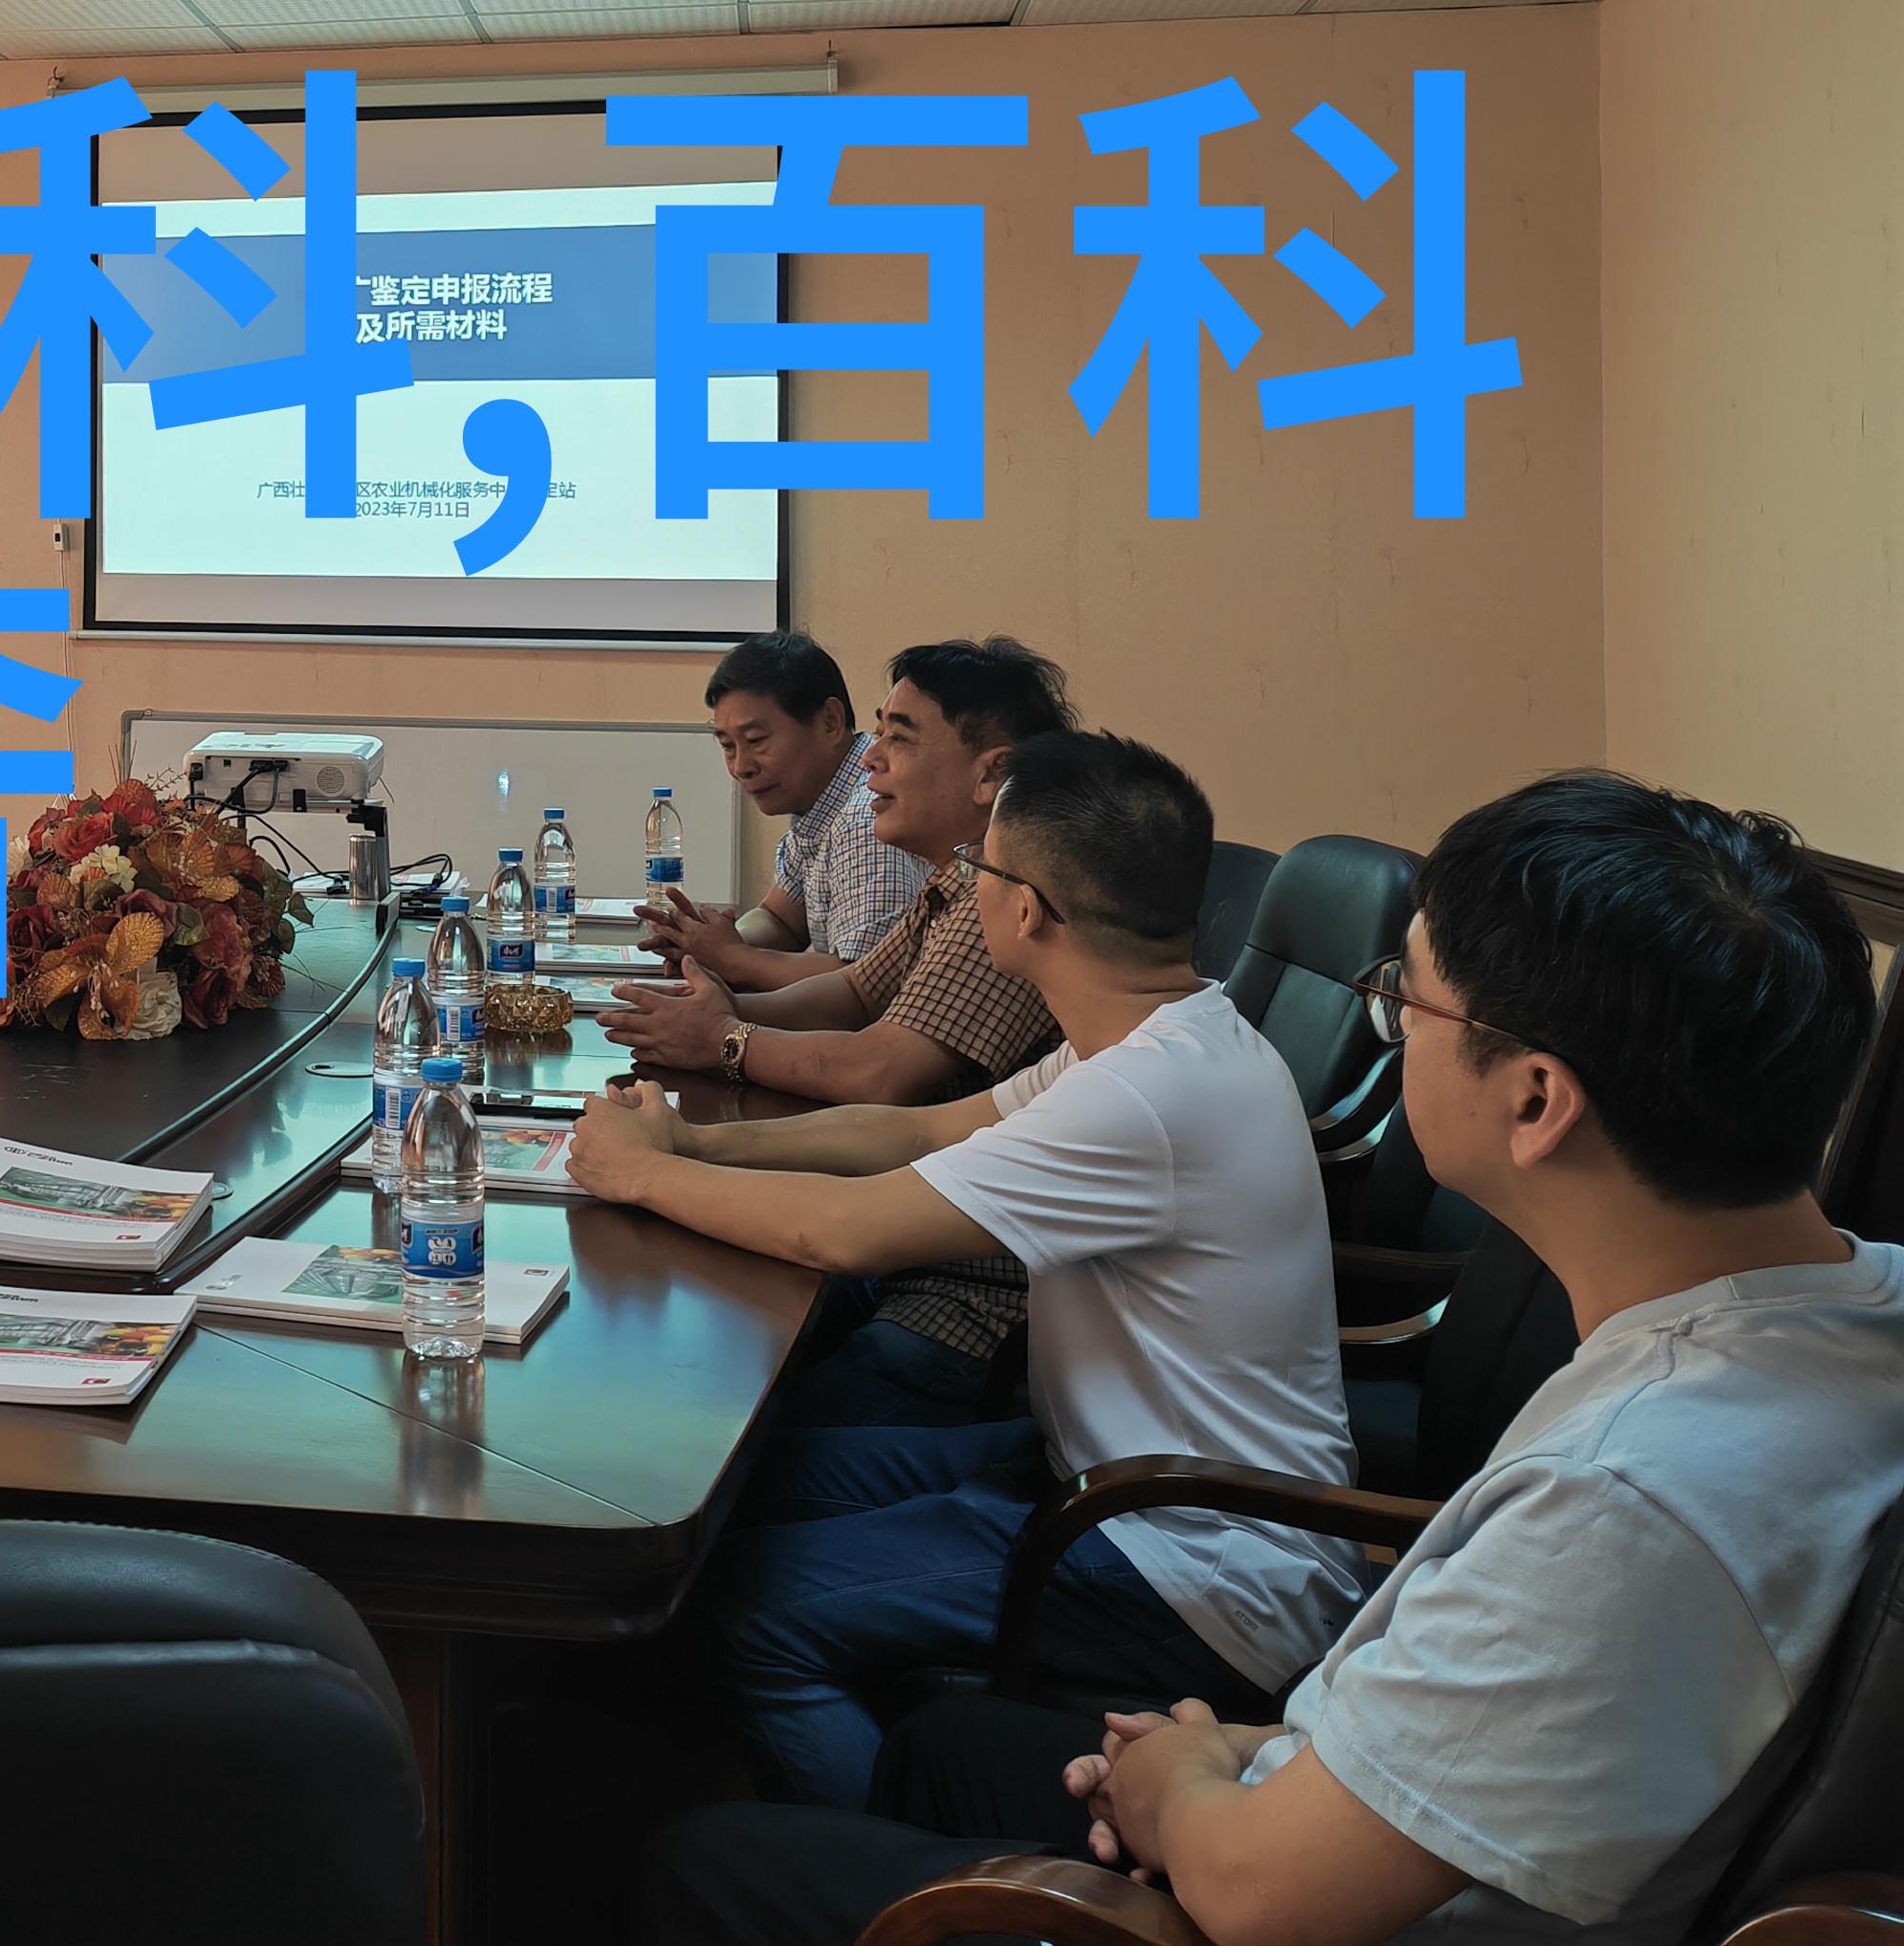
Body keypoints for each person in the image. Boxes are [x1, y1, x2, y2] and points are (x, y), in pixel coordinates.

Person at [637, 769, 1902, 1946]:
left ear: (1532, 1101)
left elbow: (1255, 1891)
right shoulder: (1849, 1304)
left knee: (695, 1858)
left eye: (1405, 1002)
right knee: (938, 1748)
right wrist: (1248, 1752)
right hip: (1331, 1776)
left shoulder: (1624, 1499)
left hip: (1276, 1865)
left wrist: (1184, 1777)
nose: (1391, 1029)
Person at [573, 729, 1363, 1806]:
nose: (963, 886)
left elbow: (843, 1234)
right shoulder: (1156, 1037)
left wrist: (640, 1175)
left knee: (745, 1617)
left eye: (977, 867)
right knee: (750, 1487)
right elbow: (917, 1131)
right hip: (1100, 1474)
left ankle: (888, 1873)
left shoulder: (1145, 1097)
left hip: (1190, 1562)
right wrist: (693, 1144)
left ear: (1027, 909)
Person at [605, 635, 1075, 1425]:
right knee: (709, 1321)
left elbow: (881, 1076)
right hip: (905, 1242)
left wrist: (722, 1045)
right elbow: (854, 993)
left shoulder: (1009, 905)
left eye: (899, 738)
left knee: (721, 1413)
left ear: (990, 773)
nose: (871, 760)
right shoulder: (958, 877)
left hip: (964, 1294)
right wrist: (714, 1018)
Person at [638, 630, 929, 994]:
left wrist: (733, 958)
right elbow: (780, 919)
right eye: (728, 746)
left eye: (756, 741)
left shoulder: (866, 819)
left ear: (830, 721)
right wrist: (708, 942)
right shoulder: (821, 803)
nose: (741, 767)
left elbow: (863, 983)